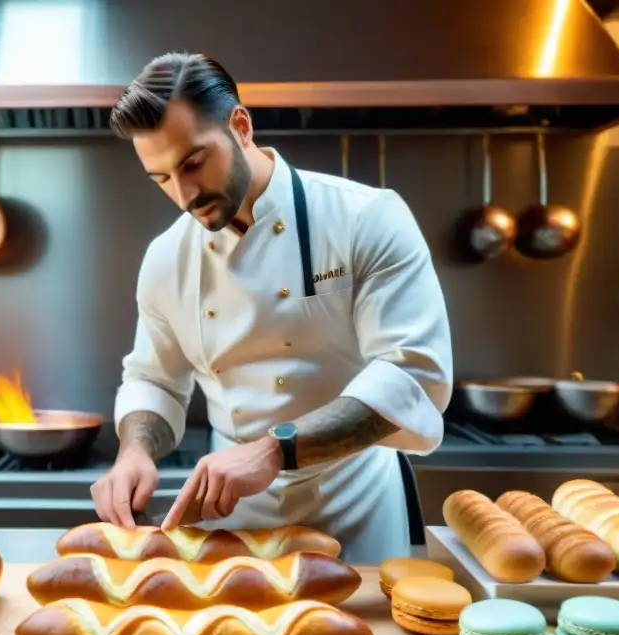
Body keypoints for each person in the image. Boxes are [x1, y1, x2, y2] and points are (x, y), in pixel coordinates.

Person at [89, 52, 453, 564]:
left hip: (356, 504)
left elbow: (414, 374)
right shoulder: (166, 258)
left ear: (241, 126)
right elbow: (154, 379)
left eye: (193, 163)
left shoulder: (366, 218)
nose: (185, 195)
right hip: (233, 517)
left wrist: (271, 449)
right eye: (162, 179)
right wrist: (134, 452)